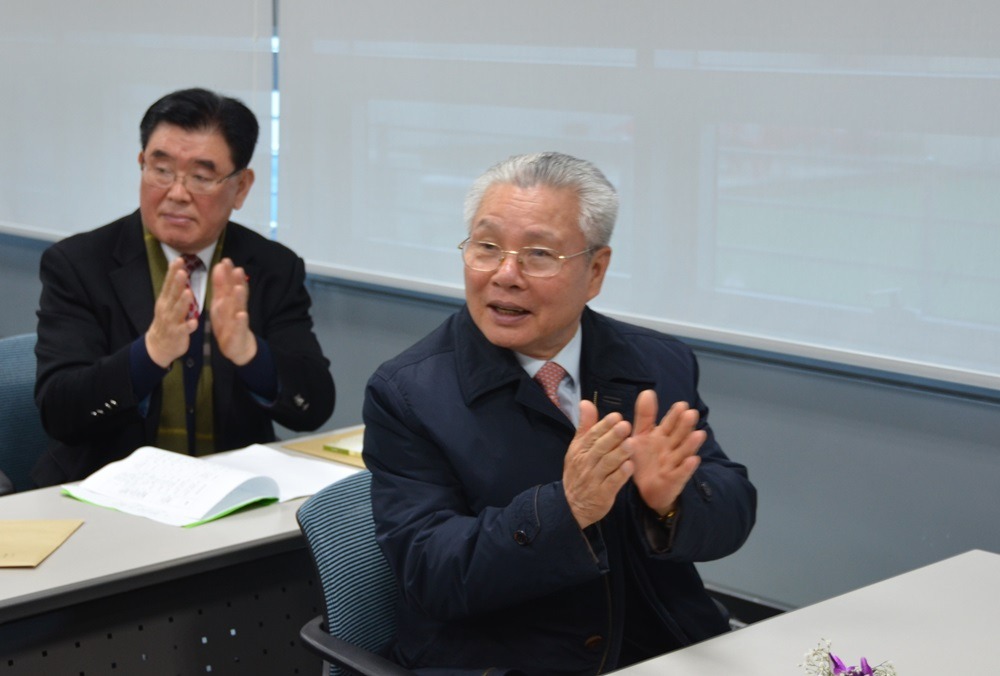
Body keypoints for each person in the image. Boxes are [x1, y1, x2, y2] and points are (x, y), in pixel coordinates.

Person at [362, 152, 757, 675]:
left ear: (595, 271)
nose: (505, 275)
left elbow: (733, 510)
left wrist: (669, 504)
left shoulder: (656, 363)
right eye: (486, 247)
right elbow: (431, 572)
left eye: (539, 254)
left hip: (656, 643)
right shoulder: (408, 392)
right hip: (504, 657)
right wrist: (565, 509)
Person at [32, 88, 335, 487]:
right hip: (104, 490)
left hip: (233, 493)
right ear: (141, 164)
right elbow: (59, 412)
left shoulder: (271, 267)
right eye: (161, 170)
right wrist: (149, 354)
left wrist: (250, 354)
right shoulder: (79, 264)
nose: (177, 193)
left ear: (241, 187)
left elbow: (314, 407)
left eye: (201, 177)